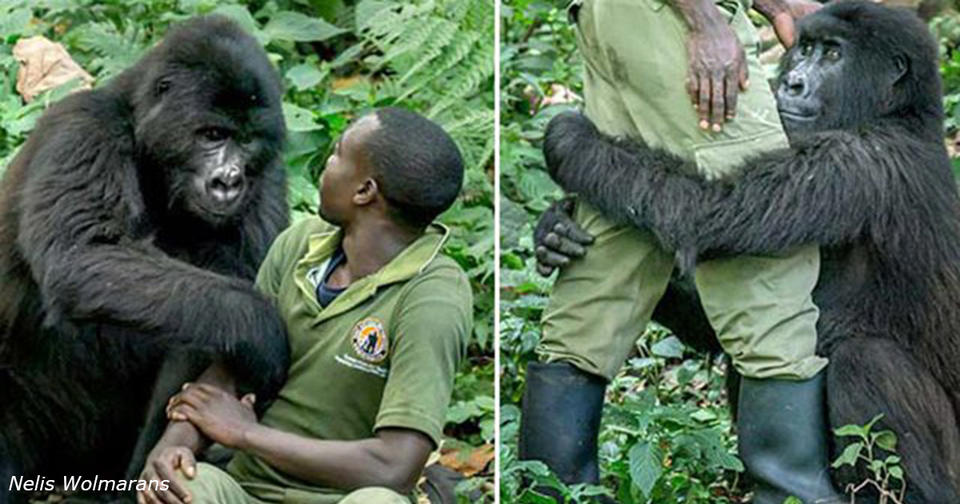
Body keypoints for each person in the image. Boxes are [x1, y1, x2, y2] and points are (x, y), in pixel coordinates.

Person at [520, 0, 843, 502]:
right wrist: (705, 17)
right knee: (766, 263)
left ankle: (550, 493)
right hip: (668, 18)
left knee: (609, 237)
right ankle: (793, 493)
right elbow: (734, 222)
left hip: (612, 16)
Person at [137, 107, 473, 504]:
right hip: (247, 491)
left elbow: (395, 468)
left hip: (345, 497)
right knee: (179, 487)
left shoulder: (432, 296)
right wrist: (174, 445)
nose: (324, 166)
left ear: (364, 191)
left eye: (336, 154)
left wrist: (247, 434)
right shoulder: (302, 244)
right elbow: (235, 367)